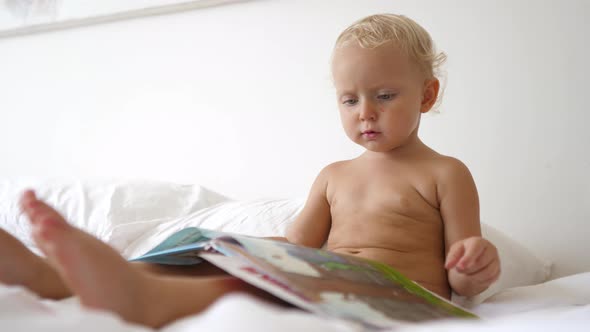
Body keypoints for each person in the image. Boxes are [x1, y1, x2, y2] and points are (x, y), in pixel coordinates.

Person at [0, 13, 500, 328]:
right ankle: (61, 277)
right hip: (331, 276)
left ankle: (153, 298)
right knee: (215, 248)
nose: (365, 112)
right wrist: (225, 248)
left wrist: (475, 265)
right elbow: (299, 243)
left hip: (396, 295)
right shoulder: (333, 175)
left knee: (264, 284)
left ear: (427, 95)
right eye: (349, 99)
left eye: (384, 96)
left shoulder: (444, 172)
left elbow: (466, 276)